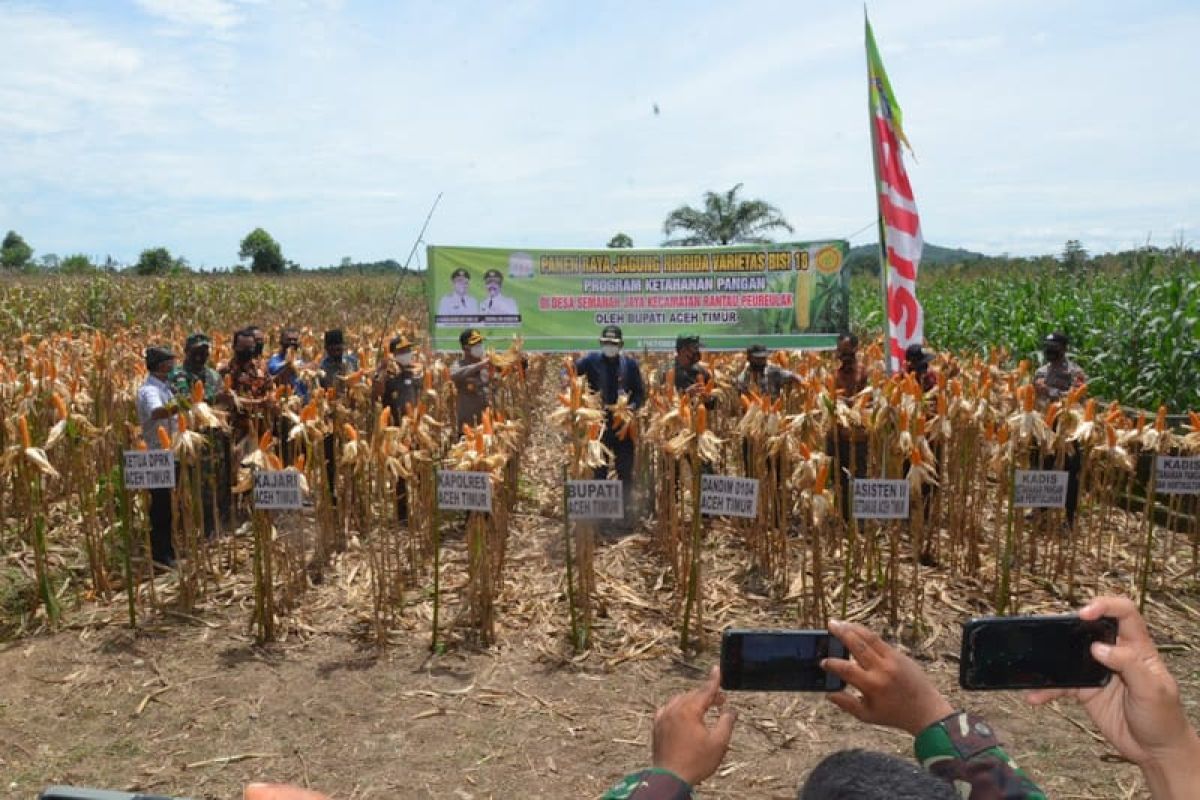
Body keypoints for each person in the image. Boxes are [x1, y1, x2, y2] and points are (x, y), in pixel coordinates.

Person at [574, 325, 646, 526]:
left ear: (621, 345)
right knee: (599, 471)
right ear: (600, 343)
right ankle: (602, 518)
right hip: (599, 427)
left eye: (613, 344)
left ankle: (624, 515)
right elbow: (570, 374)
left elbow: (640, 393)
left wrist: (630, 408)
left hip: (623, 427)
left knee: (625, 470)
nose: (609, 347)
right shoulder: (590, 361)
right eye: (606, 343)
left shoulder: (630, 365)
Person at [168, 332, 228, 536]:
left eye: (204, 351)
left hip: (214, 438)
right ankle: (189, 526)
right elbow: (184, 401)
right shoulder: (178, 375)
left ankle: (211, 526)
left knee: (213, 482)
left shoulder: (213, 375)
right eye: (196, 351)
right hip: (190, 438)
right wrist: (213, 398)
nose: (200, 355)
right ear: (186, 352)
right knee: (190, 481)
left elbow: (223, 404)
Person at [1033, 332, 1087, 529]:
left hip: (1067, 427)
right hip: (1045, 426)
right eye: (1047, 346)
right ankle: (1040, 511)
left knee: (1070, 471)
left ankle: (1069, 517)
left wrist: (1050, 391)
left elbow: (1077, 397)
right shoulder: (1040, 372)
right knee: (1042, 466)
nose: (1049, 350)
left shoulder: (1075, 372)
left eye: (1054, 347)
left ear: (1064, 348)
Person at [136, 346, 179, 567]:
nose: (174, 366)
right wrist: (180, 406)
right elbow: (156, 412)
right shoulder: (150, 390)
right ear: (162, 366)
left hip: (168, 453)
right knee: (161, 507)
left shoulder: (164, 387)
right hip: (156, 456)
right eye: (170, 363)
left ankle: (169, 549)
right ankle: (161, 555)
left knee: (169, 505)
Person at [373, 334, 421, 522]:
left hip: (414, 429)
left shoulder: (414, 373)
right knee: (400, 474)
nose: (407, 354)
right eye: (402, 351)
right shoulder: (387, 377)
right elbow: (375, 394)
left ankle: (423, 511)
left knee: (419, 471)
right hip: (395, 431)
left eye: (408, 350)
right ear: (392, 354)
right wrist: (382, 369)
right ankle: (402, 516)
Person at [830, 333, 869, 520]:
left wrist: (850, 404)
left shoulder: (863, 372)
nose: (842, 354)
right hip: (836, 436)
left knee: (859, 475)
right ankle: (843, 517)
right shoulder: (833, 373)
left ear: (856, 349)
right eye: (840, 350)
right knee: (838, 477)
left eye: (846, 350)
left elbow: (868, 401)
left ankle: (859, 518)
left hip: (858, 435)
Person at [450, 328, 492, 430]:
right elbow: (454, 375)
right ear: (465, 348)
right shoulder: (459, 365)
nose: (480, 346)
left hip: (487, 425)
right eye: (475, 344)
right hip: (467, 427)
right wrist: (479, 365)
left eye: (480, 343)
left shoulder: (488, 365)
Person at [267, 327, 308, 401]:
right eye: (289, 340)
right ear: (281, 341)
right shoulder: (274, 360)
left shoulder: (300, 362)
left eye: (295, 340)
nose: (292, 342)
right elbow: (274, 371)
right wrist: (288, 363)